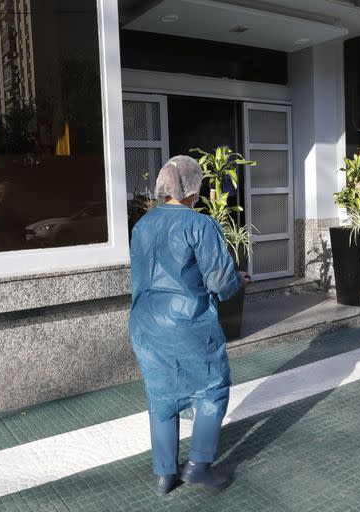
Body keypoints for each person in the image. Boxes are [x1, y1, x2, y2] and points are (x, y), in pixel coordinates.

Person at [129, 155, 249, 495]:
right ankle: (197, 465)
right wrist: (236, 281)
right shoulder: (200, 225)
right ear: (194, 189)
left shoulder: (141, 225)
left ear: (164, 186)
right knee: (212, 389)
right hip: (188, 322)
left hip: (145, 323)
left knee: (161, 395)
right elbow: (219, 280)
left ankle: (164, 475)